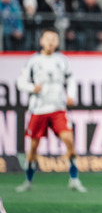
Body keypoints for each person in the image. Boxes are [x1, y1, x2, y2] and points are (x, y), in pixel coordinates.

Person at [15, 29, 87, 193]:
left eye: (54, 38)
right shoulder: (33, 61)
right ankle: (28, 180)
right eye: (48, 38)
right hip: (38, 109)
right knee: (33, 147)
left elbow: (71, 80)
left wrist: (70, 95)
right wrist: (32, 87)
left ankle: (74, 179)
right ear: (41, 41)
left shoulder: (62, 60)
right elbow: (20, 82)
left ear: (58, 42)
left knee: (69, 140)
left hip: (58, 108)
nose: (51, 41)